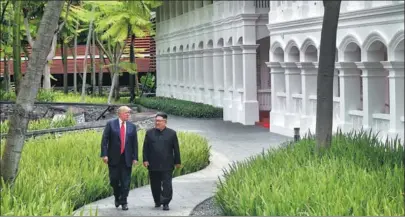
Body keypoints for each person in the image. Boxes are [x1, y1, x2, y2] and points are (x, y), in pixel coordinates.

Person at [100, 106, 138, 211]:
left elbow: (135, 143)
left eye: (129, 113)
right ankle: (117, 196)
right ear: (120, 114)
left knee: (126, 181)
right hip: (113, 158)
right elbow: (104, 140)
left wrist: (135, 157)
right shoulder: (111, 124)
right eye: (126, 113)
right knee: (114, 180)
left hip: (127, 158)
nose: (128, 115)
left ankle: (124, 201)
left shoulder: (132, 127)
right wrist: (104, 154)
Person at [143, 112, 181, 211]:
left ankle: (165, 202)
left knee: (167, 184)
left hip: (167, 164)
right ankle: (157, 201)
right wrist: (145, 160)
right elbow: (145, 148)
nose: (157, 122)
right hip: (153, 164)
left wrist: (177, 161)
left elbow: (176, 149)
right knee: (155, 184)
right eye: (156, 120)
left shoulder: (172, 133)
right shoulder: (149, 133)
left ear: (165, 122)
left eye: (159, 121)